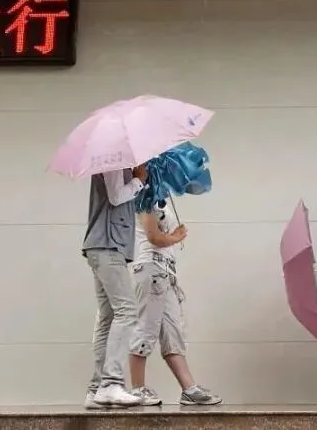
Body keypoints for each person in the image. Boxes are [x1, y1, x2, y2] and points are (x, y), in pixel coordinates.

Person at [128, 196, 221, 406]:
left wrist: (172, 236)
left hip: (165, 271)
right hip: (151, 268)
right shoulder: (144, 198)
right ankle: (138, 388)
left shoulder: (159, 199)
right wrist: (175, 237)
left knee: (173, 331)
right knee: (145, 328)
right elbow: (153, 237)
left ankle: (189, 389)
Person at [83, 166, 147, 408]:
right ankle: (111, 383)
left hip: (103, 247)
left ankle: (96, 389)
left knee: (108, 316)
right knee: (127, 312)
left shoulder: (118, 164)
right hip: (107, 246)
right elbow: (116, 196)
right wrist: (139, 180)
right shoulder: (113, 162)